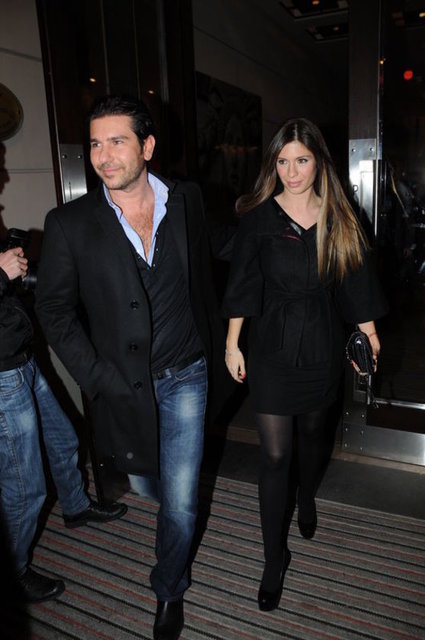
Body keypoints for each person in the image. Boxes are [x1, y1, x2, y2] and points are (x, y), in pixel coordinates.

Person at [35, 95, 226, 640]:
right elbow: (53, 310)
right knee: (147, 484)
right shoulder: (69, 223)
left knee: (181, 501)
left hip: (187, 372)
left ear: (147, 146)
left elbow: (215, 261)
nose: (103, 155)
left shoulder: (185, 199)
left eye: (117, 141)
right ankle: (166, 505)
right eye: (96, 143)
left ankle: (169, 590)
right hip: (122, 384)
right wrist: (97, 378)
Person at [222, 118, 387, 612]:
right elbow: (243, 282)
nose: (291, 172)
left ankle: (307, 495)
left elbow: (356, 280)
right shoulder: (259, 218)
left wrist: (369, 335)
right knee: (274, 456)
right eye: (282, 161)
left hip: (320, 342)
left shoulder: (340, 217)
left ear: (319, 163)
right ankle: (274, 558)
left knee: (314, 439)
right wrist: (233, 343)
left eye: (302, 160)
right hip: (271, 346)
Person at [0, 246, 127, 605]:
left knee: (64, 440)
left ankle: (75, 506)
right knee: (24, 488)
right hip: (3, 377)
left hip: (21, 360)